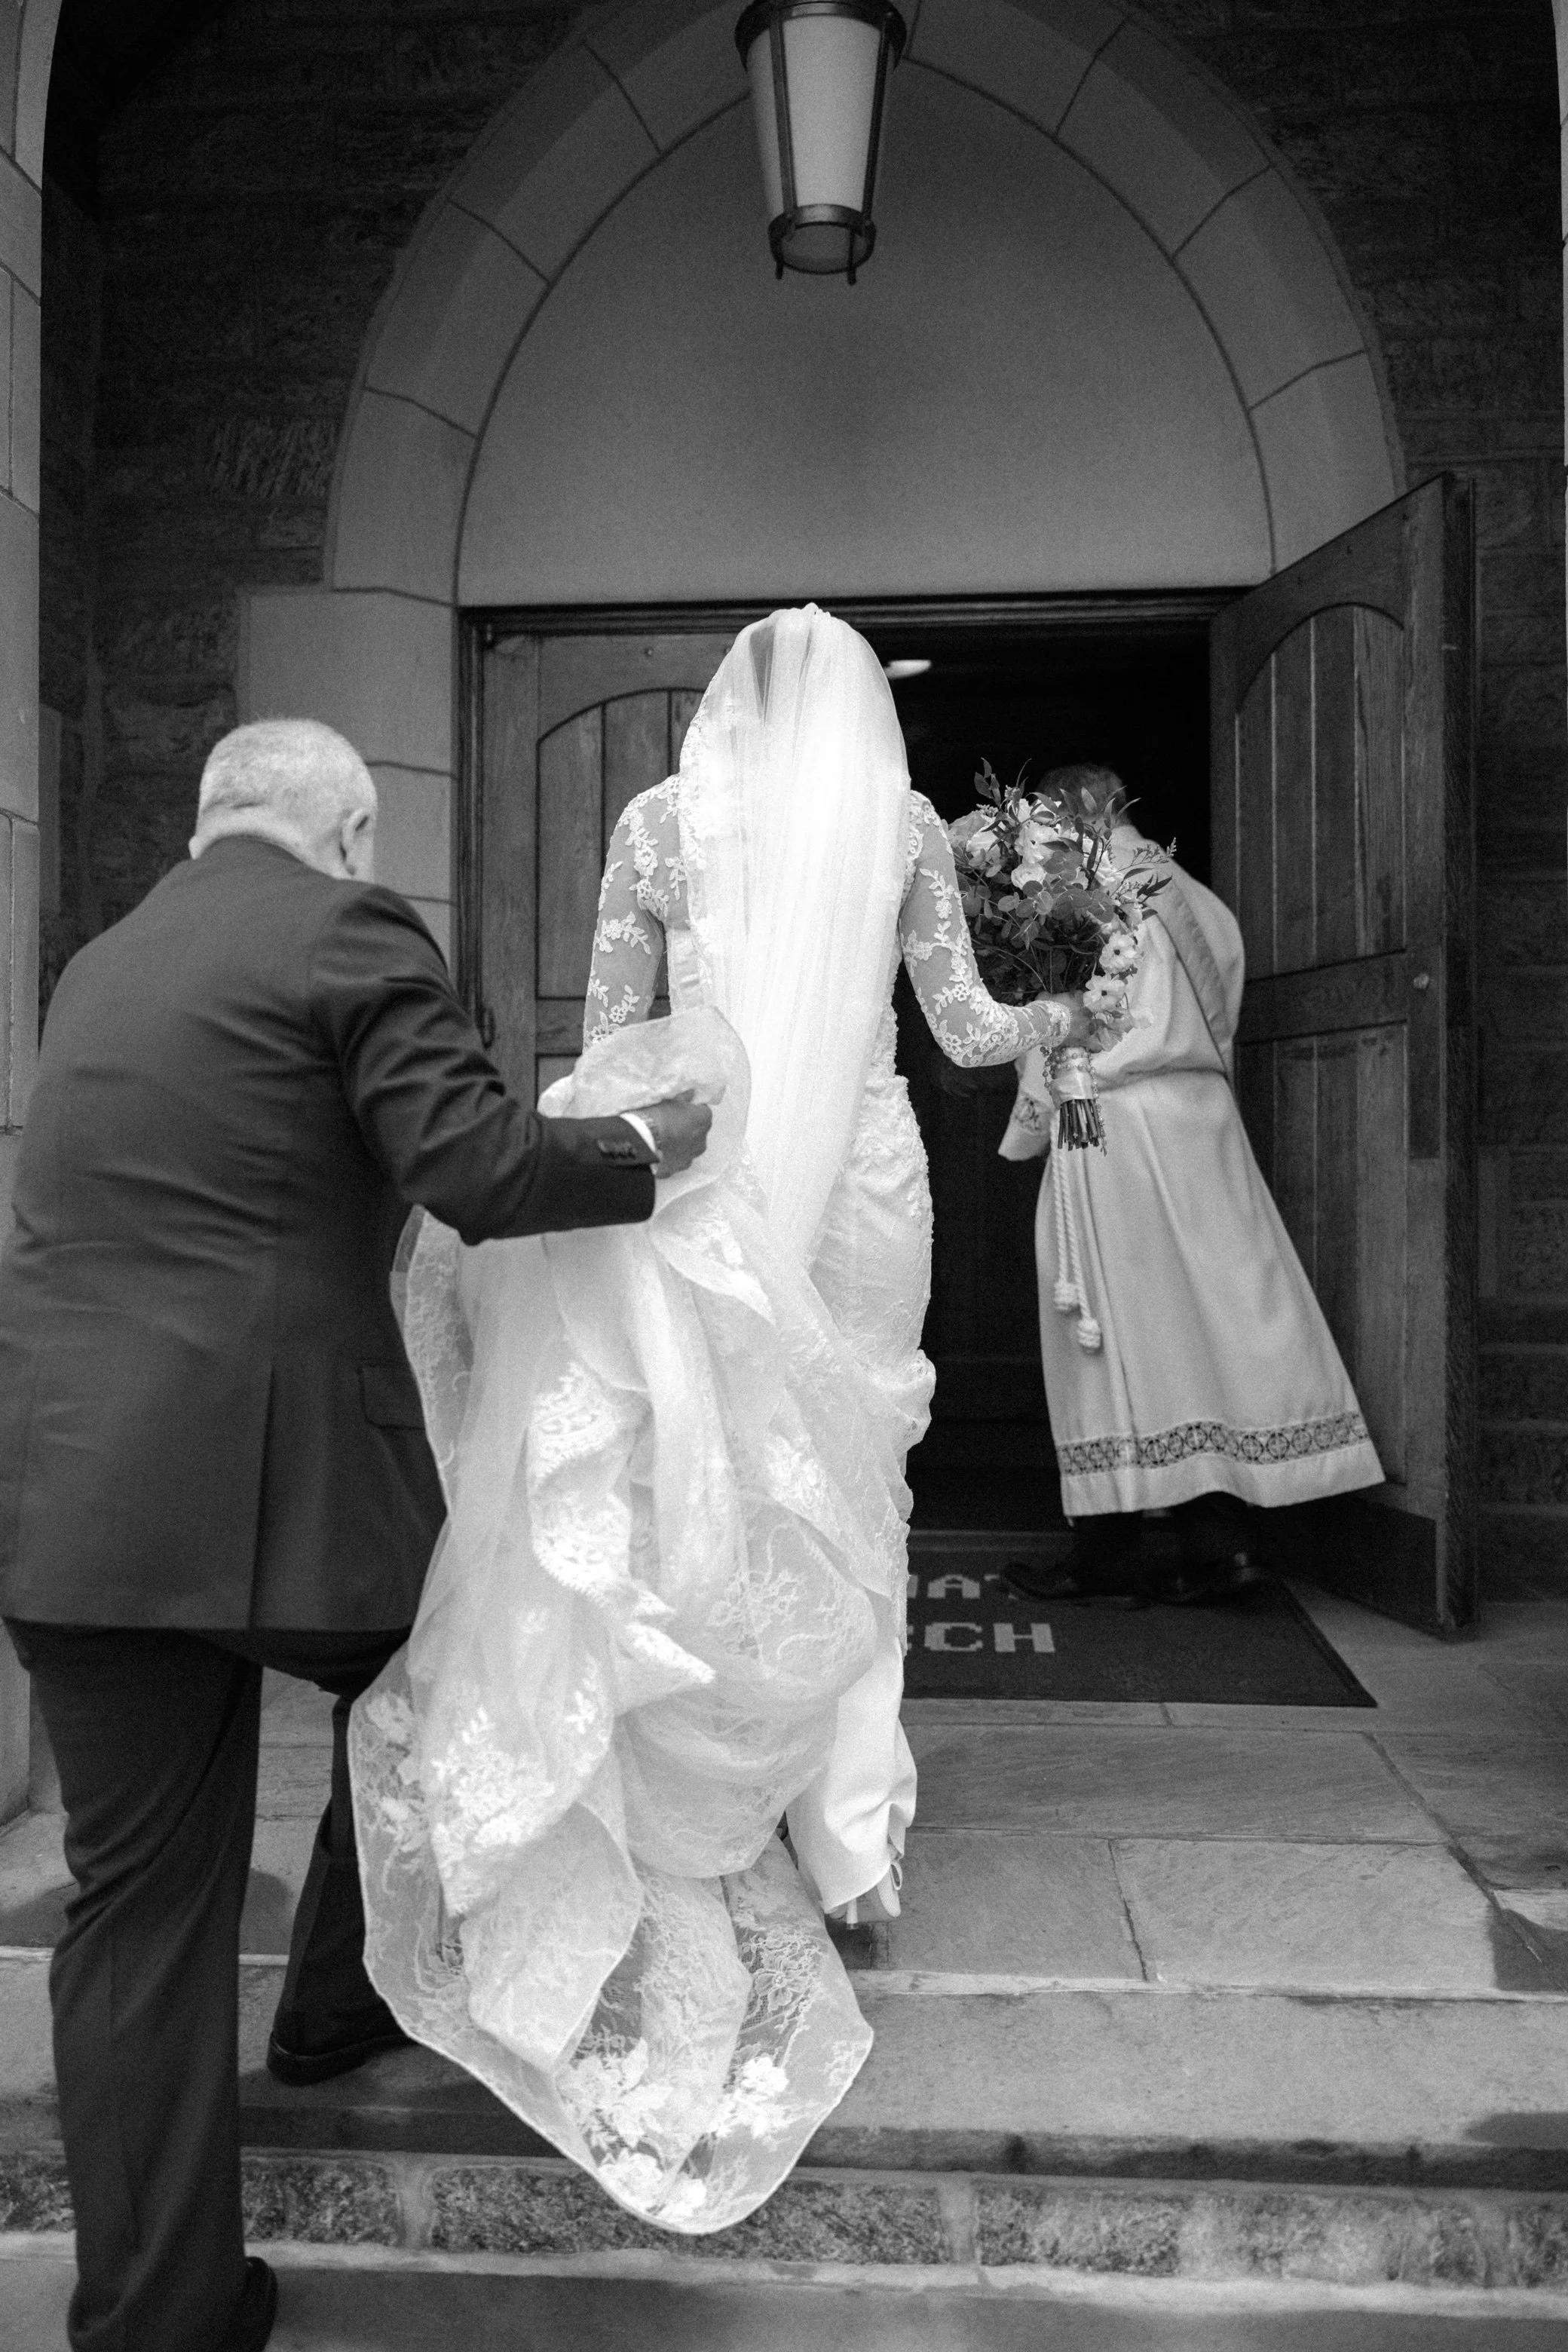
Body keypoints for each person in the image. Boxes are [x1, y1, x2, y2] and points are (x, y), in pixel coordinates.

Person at [351, 607, 1092, 2234]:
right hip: (865, 1192)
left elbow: (621, 1038)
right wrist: (1062, 1010)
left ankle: (714, 1796)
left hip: (712, 1182)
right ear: (861, 726)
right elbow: (960, 1031)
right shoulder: (899, 828)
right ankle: (849, 1848)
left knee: (725, 1481)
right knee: (859, 1486)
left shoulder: (655, 822)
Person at [0, 719, 710, 2352]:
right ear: (350, 827)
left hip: (70, 1495)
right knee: (474, 1664)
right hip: (274, 1485)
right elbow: (472, 1167)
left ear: (206, 823)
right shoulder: (347, 925)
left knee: (136, 1915)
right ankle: (336, 2003)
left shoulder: (99, 964)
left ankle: (154, 2321)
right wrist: (641, 1152)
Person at [997, 764, 1383, 1606]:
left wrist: (1024, 1136)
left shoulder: (1066, 902)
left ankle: (1107, 1553)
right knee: (1210, 1323)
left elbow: (1054, 1029)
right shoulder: (1202, 903)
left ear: (1064, 818)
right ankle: (1220, 1547)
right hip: (1201, 1124)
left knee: (1104, 1328)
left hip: (1108, 1123)